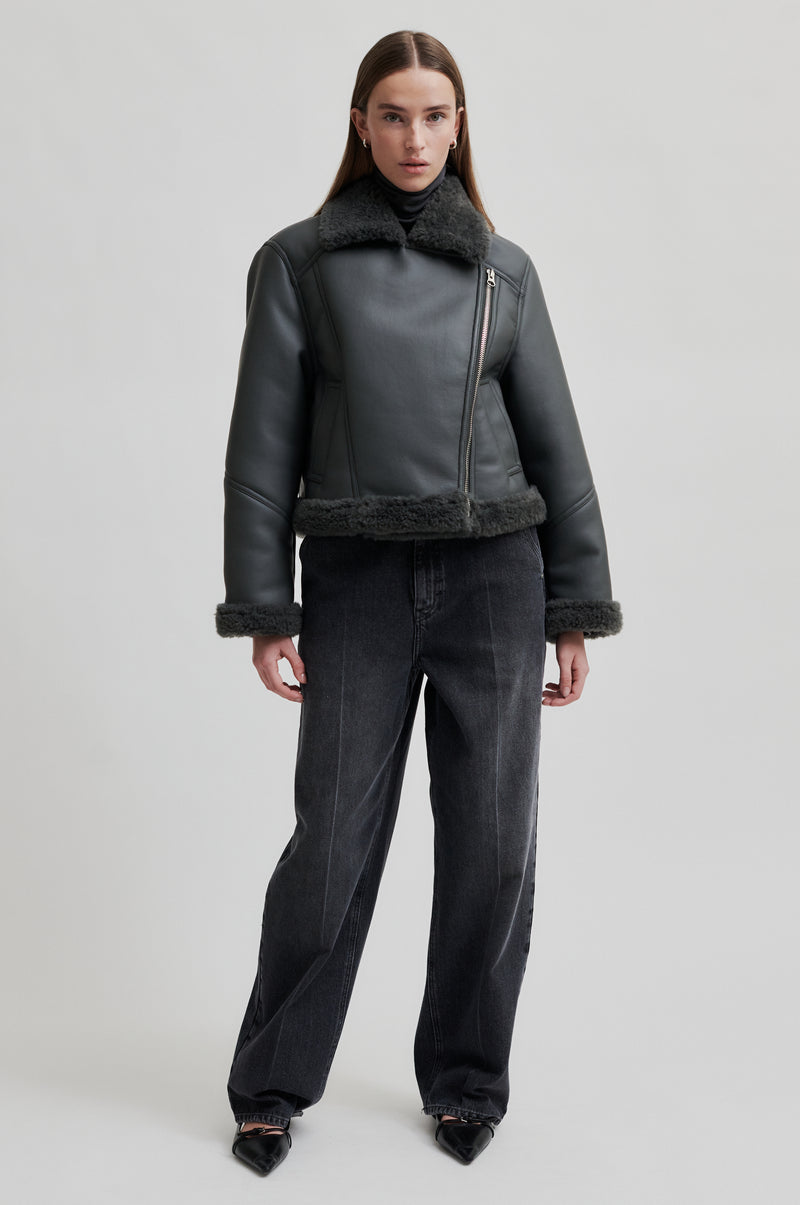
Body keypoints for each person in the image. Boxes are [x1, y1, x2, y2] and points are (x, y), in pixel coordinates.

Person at [215, 29, 623, 1175]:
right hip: (354, 579)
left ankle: (465, 1080)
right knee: (330, 844)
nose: (413, 137)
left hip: (497, 577)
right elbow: (260, 447)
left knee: (492, 845)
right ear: (359, 123)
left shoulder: (502, 269)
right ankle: (270, 1087)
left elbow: (555, 443)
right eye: (392, 114)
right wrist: (264, 605)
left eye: (434, 115)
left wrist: (574, 605)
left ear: (458, 125)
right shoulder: (296, 263)